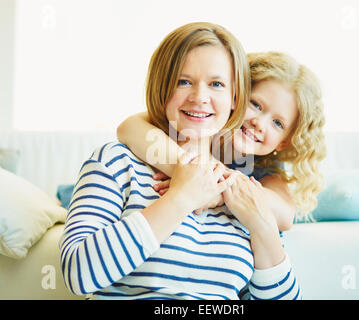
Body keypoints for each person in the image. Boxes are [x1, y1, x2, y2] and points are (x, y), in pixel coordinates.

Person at [59, 22, 301, 300]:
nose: (200, 97)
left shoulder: (246, 194)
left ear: (235, 97)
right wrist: (181, 198)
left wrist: (262, 225)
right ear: (162, 87)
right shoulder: (115, 161)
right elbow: (78, 275)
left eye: (216, 84)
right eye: (183, 81)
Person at [117, 51, 327, 225]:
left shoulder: (264, 166)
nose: (259, 123)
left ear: (284, 142)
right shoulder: (198, 124)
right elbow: (128, 128)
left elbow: (285, 216)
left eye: (278, 123)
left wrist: (217, 192)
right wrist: (187, 174)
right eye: (256, 105)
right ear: (235, 96)